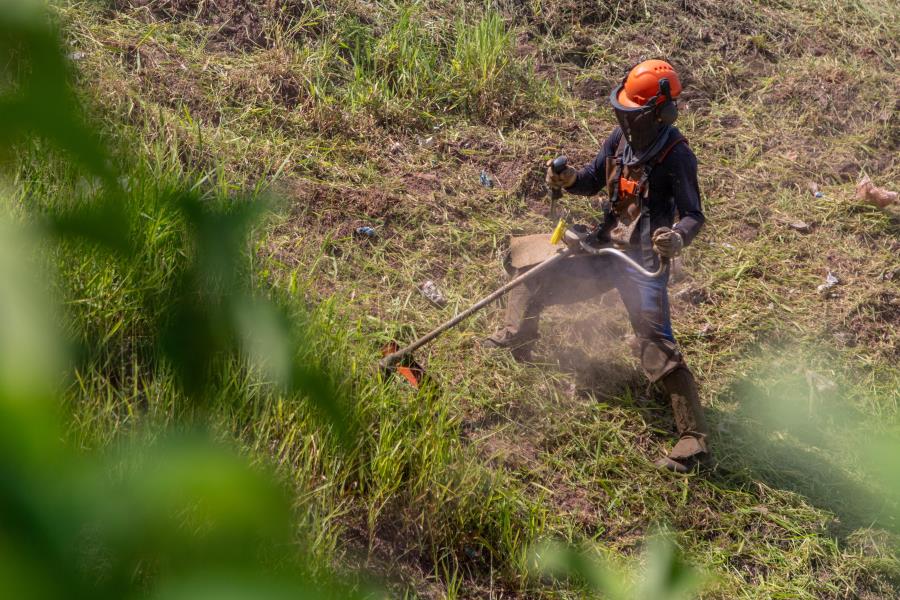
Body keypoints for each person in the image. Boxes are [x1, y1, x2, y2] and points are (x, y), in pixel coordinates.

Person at [483, 60, 709, 473]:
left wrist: (676, 237)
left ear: (662, 113)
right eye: (622, 111)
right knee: (533, 268)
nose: (624, 119)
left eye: (633, 112)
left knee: (654, 343)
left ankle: (692, 438)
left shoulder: (678, 157)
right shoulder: (622, 141)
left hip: (641, 263)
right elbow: (591, 178)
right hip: (605, 249)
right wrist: (569, 179)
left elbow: (694, 215)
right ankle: (518, 335)